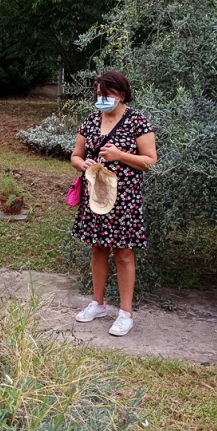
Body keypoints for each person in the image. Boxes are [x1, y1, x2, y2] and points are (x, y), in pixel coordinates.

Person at [70, 71, 157, 336]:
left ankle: (125, 313)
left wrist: (120, 155)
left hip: (125, 199)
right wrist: (81, 163)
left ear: (120, 94)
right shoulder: (92, 120)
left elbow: (150, 161)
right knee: (98, 248)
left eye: (106, 95)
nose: (101, 99)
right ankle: (98, 303)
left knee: (123, 254)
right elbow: (75, 155)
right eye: (98, 94)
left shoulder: (137, 121)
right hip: (96, 197)